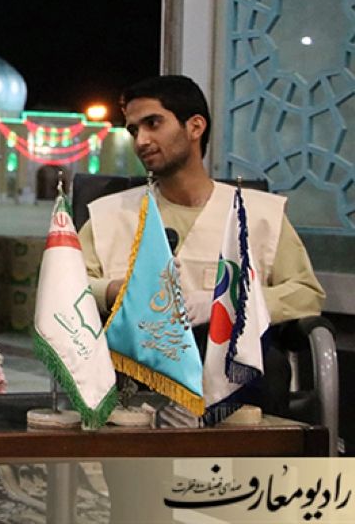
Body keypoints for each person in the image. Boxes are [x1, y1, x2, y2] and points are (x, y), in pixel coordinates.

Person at [79, 74, 324, 414]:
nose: (141, 141)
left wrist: (230, 304)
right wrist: (116, 290)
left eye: (153, 123)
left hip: (235, 367)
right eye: (133, 130)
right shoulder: (109, 215)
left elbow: (305, 293)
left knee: (264, 363)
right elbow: (70, 288)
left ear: (195, 127)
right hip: (138, 367)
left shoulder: (257, 214)